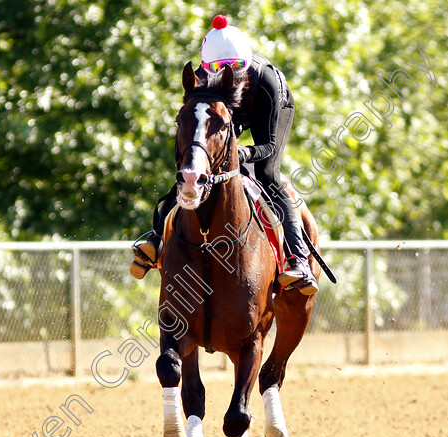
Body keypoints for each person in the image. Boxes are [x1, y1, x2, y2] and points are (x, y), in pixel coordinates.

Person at [130, 14, 318, 295]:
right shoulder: (206, 79)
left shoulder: (264, 80)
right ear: (207, 68)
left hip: (268, 107)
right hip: (227, 110)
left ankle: (298, 259)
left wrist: (241, 153)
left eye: (236, 68)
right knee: (197, 167)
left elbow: (268, 146)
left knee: (268, 175)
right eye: (218, 68)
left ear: (246, 61)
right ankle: (156, 238)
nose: (229, 74)